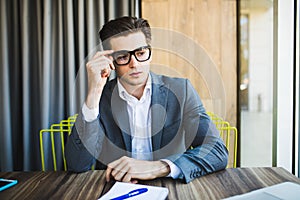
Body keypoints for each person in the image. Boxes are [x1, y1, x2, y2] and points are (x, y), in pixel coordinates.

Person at [65, 16, 228, 184]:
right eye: (122, 56)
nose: (134, 64)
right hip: (116, 188)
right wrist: (94, 93)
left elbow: (216, 151)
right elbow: (77, 164)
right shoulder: (100, 98)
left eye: (140, 53)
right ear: (111, 60)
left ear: (150, 53)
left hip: (170, 186)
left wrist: (158, 167)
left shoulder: (182, 90)